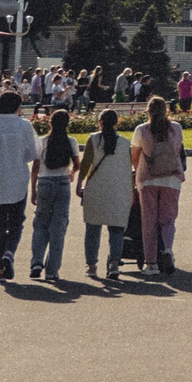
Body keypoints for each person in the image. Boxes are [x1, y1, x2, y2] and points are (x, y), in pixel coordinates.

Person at [0, 90, 41, 282]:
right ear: (17, 107)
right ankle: (9, 253)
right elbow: (32, 153)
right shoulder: (24, 125)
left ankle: (0, 269)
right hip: (16, 180)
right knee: (16, 223)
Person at [131, 96, 187, 276]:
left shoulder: (142, 130)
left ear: (148, 110)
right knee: (168, 219)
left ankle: (151, 263)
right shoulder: (176, 128)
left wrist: (137, 169)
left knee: (148, 220)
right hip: (172, 177)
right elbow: (177, 150)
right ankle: (168, 249)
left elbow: (135, 155)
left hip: (147, 178)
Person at [78, 108, 133, 285]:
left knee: (93, 229)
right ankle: (114, 264)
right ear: (117, 123)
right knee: (116, 229)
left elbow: (86, 164)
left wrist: (79, 184)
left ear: (100, 122)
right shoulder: (125, 143)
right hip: (118, 190)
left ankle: (92, 266)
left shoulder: (93, 140)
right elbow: (127, 170)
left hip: (96, 188)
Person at [29, 107, 78, 284]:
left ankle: (36, 262)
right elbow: (77, 164)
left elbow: (35, 168)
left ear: (50, 123)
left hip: (45, 183)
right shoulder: (70, 141)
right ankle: (52, 270)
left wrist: (33, 189)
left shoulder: (42, 142)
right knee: (58, 228)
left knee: (40, 224)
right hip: (63, 183)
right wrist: (72, 172)